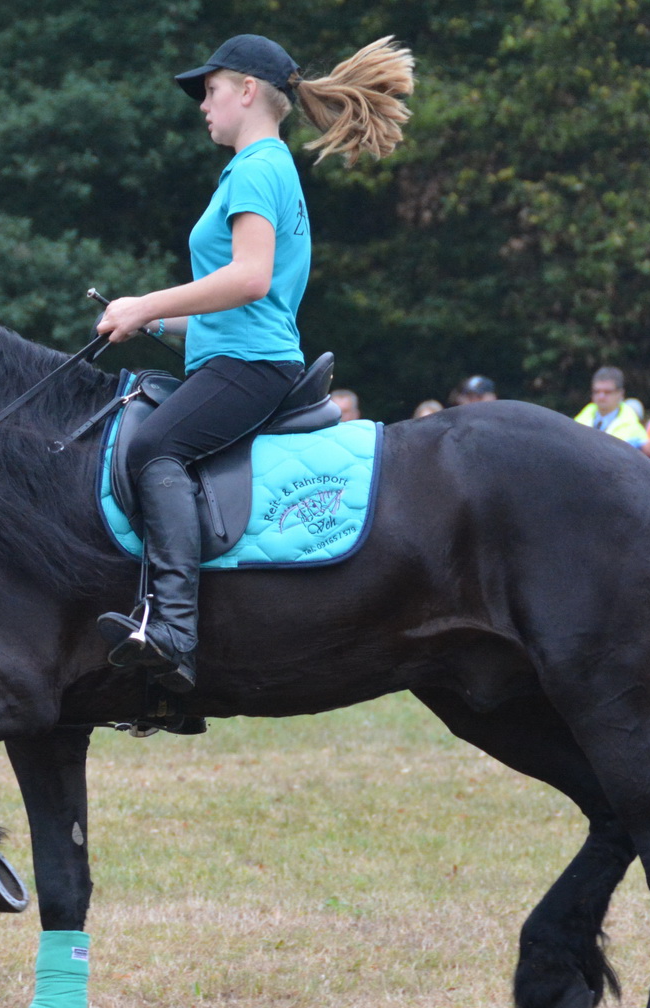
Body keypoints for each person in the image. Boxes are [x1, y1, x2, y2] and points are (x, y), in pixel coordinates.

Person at [92, 34, 413, 691]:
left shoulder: (258, 166)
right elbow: (235, 301)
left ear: (245, 90)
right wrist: (154, 320)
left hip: (251, 364)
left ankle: (174, 632)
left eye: (209, 91)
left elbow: (251, 279)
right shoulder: (257, 168)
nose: (202, 106)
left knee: (153, 449)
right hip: (235, 355)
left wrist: (146, 299)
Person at [574, 366, 645, 448]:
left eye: (607, 392)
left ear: (620, 394)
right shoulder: (578, 421)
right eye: (596, 392)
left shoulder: (635, 428)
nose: (601, 397)